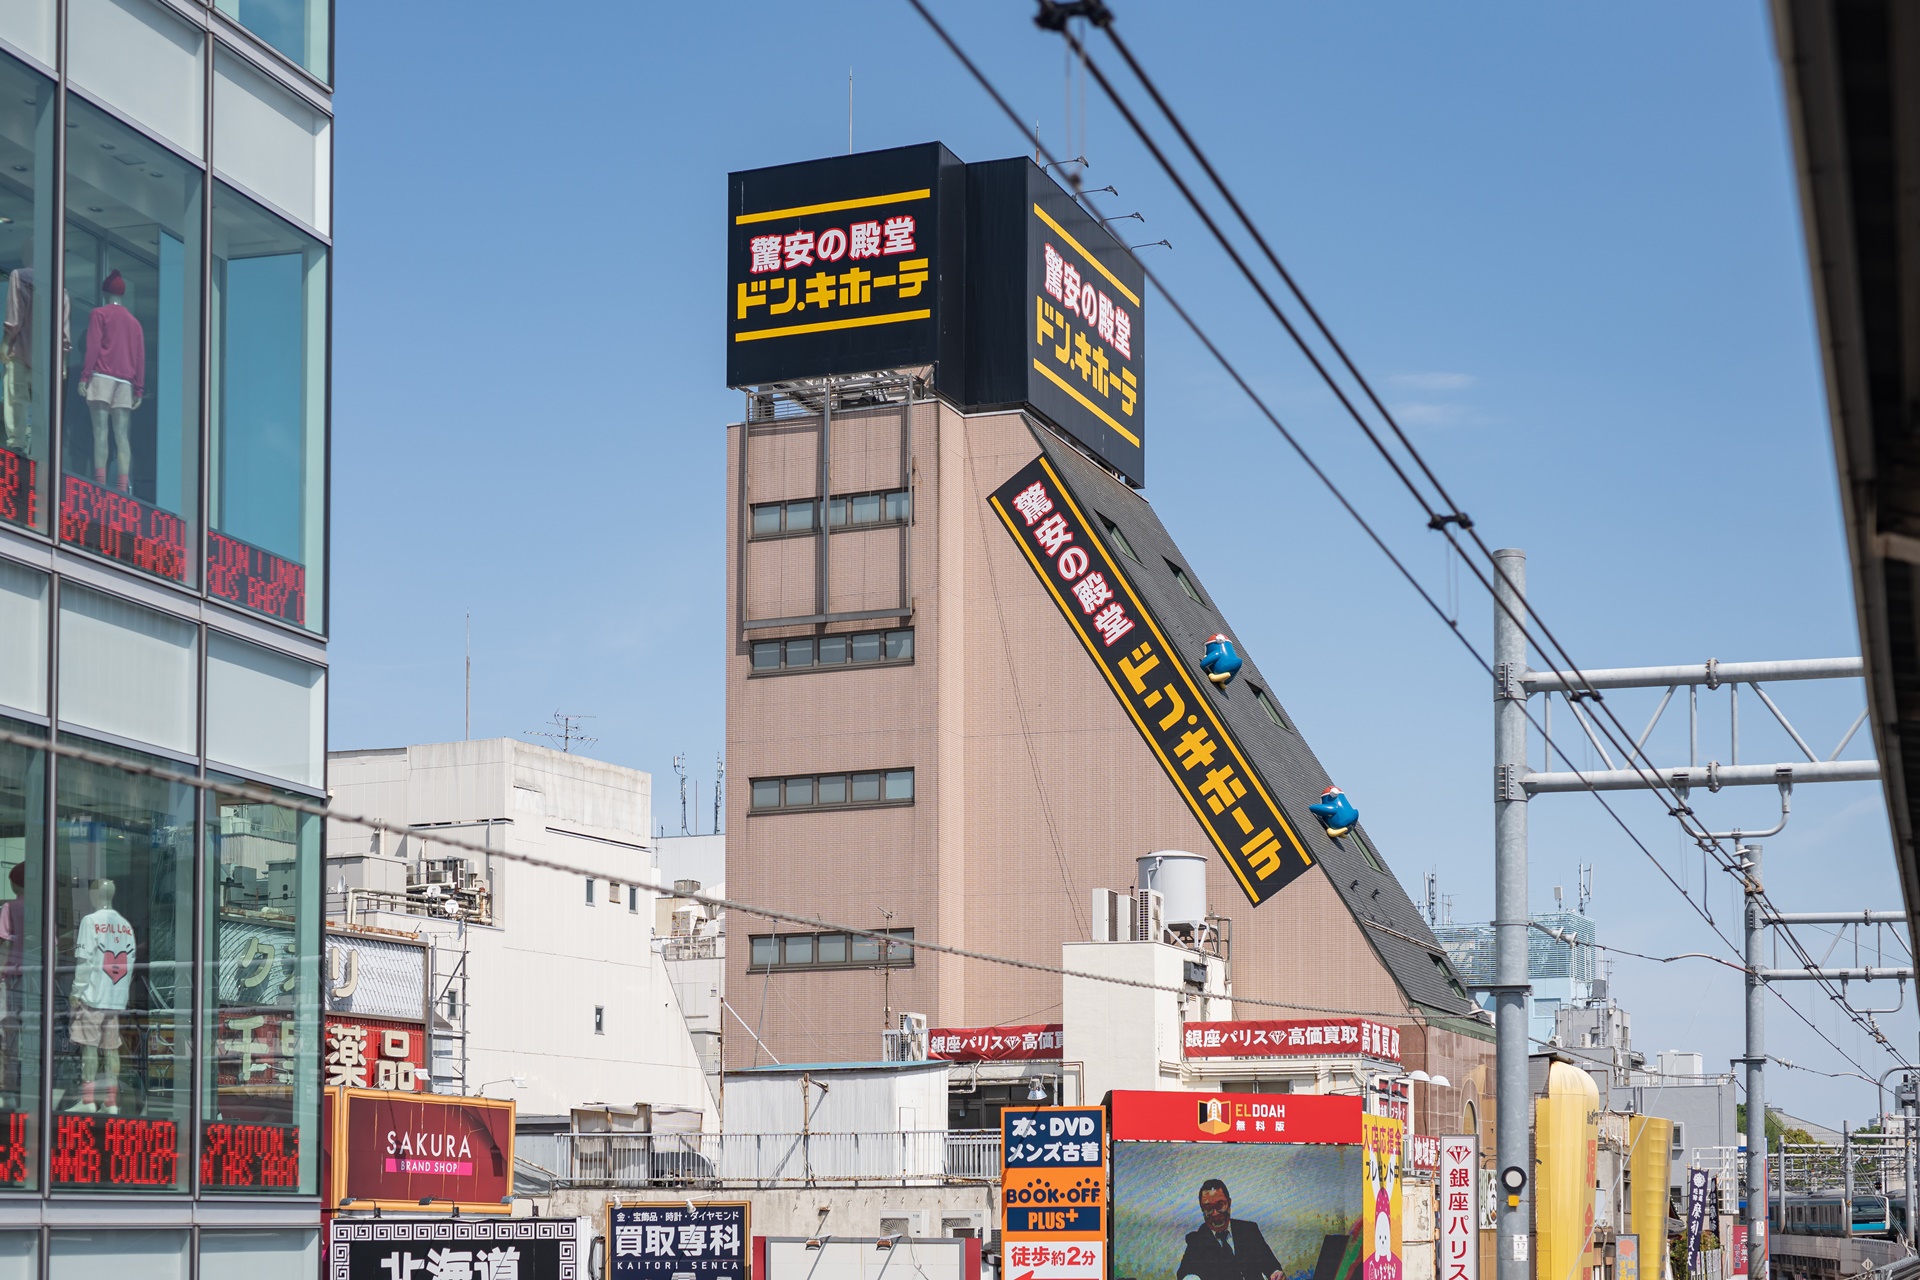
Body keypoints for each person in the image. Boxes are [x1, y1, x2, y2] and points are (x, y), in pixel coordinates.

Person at [1178, 1179, 1286, 1280]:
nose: (1215, 1213)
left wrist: (1275, 1272)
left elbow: (1269, 1262)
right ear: (1202, 1209)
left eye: (1220, 1205)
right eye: (1208, 1208)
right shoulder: (1197, 1240)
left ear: (1229, 1203)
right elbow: (1186, 1272)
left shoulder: (1249, 1230)